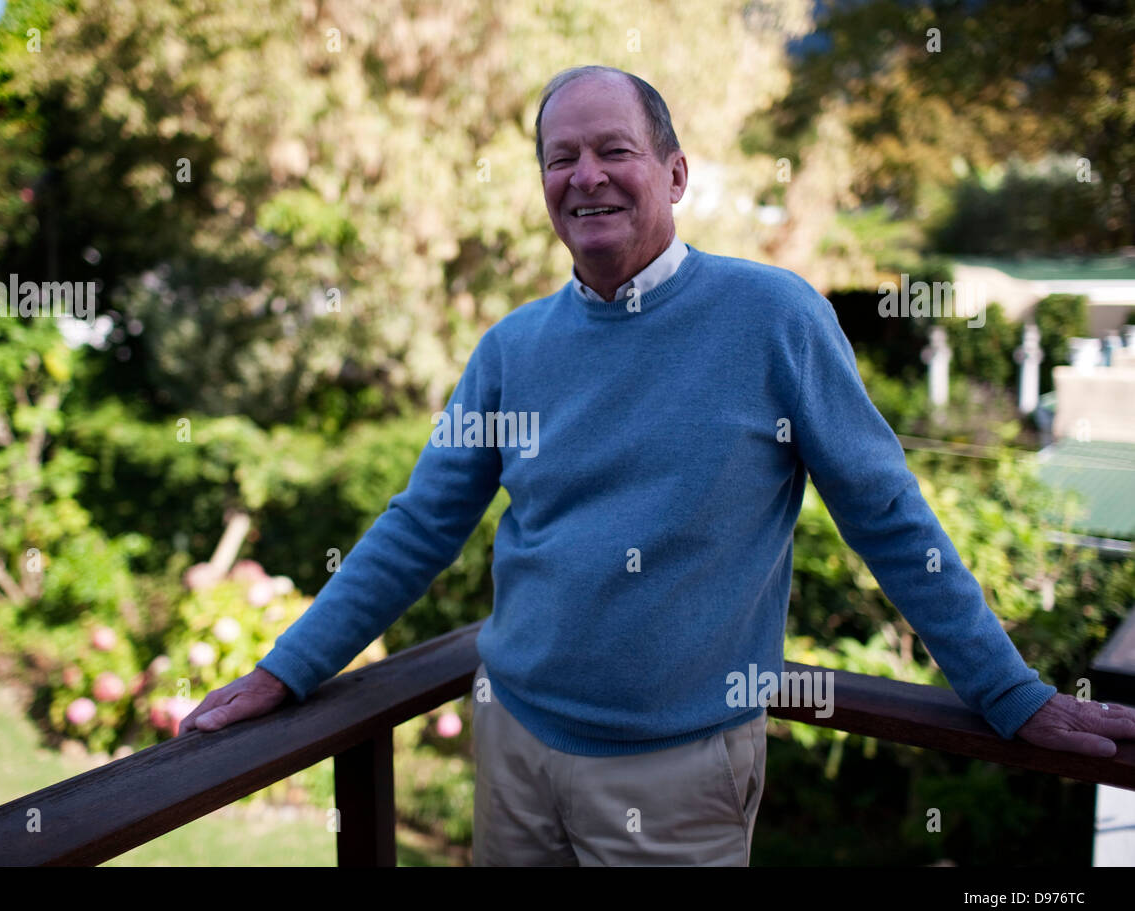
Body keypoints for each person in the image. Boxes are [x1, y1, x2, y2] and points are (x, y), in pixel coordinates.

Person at [180, 65, 1135, 865]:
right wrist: (288, 671)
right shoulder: (511, 350)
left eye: (614, 150)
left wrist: (1009, 693)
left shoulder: (774, 317)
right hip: (513, 746)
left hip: (679, 775)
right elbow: (418, 525)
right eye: (562, 158)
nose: (585, 175)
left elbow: (886, 515)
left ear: (674, 174)